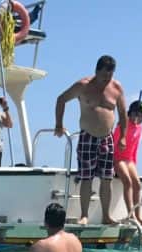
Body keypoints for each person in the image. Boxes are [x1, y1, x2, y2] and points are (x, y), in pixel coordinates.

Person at [54, 55, 128, 225]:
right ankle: (84, 215)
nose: (105, 81)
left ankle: (106, 216)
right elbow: (61, 99)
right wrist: (59, 124)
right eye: (103, 77)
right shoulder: (83, 85)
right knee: (86, 177)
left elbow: (123, 115)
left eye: (109, 77)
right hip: (87, 136)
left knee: (106, 178)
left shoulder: (116, 88)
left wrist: (122, 136)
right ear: (97, 71)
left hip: (107, 138)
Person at [112, 96, 142, 223]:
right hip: (117, 158)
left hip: (129, 160)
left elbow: (135, 147)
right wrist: (112, 165)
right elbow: (113, 143)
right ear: (132, 113)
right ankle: (130, 215)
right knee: (127, 182)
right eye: (139, 115)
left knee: (137, 185)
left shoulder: (140, 128)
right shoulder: (123, 125)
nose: (141, 118)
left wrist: (134, 163)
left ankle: (138, 215)